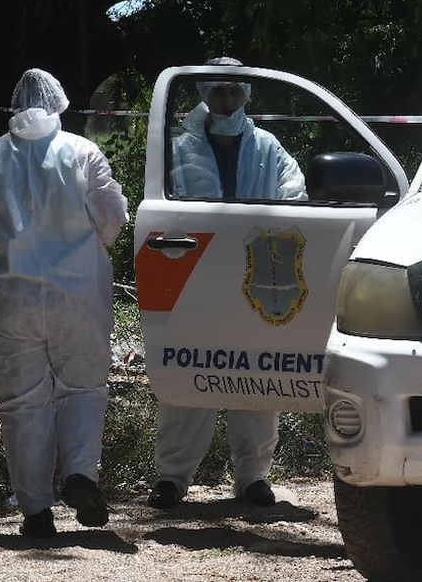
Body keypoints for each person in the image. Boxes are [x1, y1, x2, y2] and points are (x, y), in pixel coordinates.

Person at [0, 68, 129, 538]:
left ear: (12, 107)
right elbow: (113, 219)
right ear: (59, 105)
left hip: (11, 299)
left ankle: (36, 511)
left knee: (22, 403)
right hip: (80, 294)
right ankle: (81, 475)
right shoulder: (83, 152)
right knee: (83, 388)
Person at [148, 57, 307, 510]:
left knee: (259, 375)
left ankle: (253, 478)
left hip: (259, 273)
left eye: (235, 91)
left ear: (247, 95)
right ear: (203, 94)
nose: (227, 99)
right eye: (218, 91)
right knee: (188, 372)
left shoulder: (268, 147)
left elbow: (294, 193)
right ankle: (172, 479)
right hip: (195, 274)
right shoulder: (178, 148)